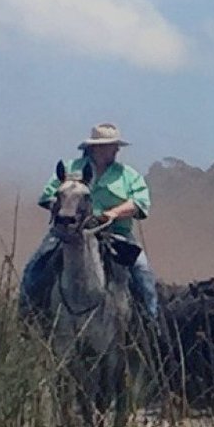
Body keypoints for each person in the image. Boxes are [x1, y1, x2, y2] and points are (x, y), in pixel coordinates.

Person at [19, 122, 160, 323]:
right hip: (67, 232)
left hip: (115, 233)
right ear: (95, 147)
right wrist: (66, 210)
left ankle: (150, 322)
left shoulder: (128, 175)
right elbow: (47, 196)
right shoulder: (69, 169)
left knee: (143, 272)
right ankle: (27, 316)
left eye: (115, 145)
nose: (115, 150)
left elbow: (140, 203)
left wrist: (112, 213)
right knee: (36, 266)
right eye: (110, 145)